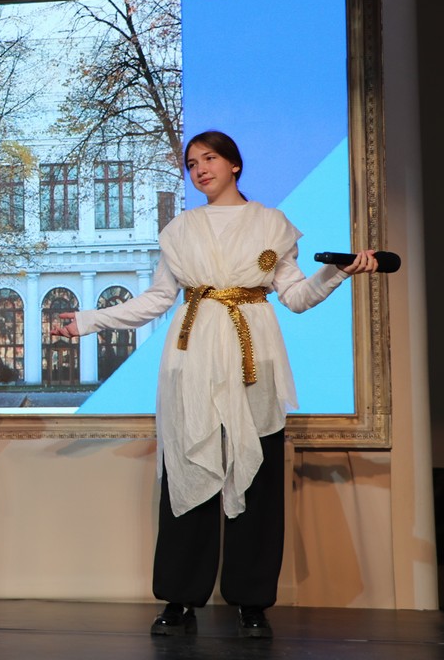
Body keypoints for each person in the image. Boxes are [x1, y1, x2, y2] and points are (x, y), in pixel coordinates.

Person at [51, 130, 378, 639]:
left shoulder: (271, 223)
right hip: (192, 359)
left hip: (254, 361)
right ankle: (179, 598)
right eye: (192, 163)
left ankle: (252, 602)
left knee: (257, 479)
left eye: (209, 158)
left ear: (234, 165)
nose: (200, 169)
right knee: (189, 467)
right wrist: (90, 320)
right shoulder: (181, 229)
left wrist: (337, 273)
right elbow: (158, 299)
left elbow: (295, 296)